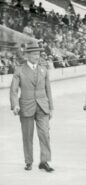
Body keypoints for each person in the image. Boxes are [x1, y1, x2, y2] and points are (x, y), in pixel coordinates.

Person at [9, 44, 54, 172]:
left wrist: (51, 107)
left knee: (45, 134)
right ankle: (28, 161)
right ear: (27, 55)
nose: (37, 56)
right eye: (34, 54)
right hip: (26, 107)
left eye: (38, 54)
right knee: (27, 136)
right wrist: (15, 105)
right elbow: (13, 90)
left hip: (42, 107)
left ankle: (44, 161)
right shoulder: (19, 70)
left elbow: (48, 89)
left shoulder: (43, 69)